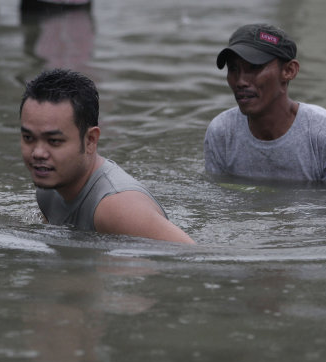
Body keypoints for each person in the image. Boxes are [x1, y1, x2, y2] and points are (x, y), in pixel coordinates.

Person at [20, 69, 195, 244]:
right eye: (29, 138)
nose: (38, 153)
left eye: (54, 141)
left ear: (90, 140)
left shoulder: (117, 208)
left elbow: (193, 257)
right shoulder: (47, 190)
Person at [204, 23, 326, 183]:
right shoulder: (222, 132)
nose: (240, 81)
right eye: (233, 69)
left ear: (288, 71)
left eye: (254, 67)